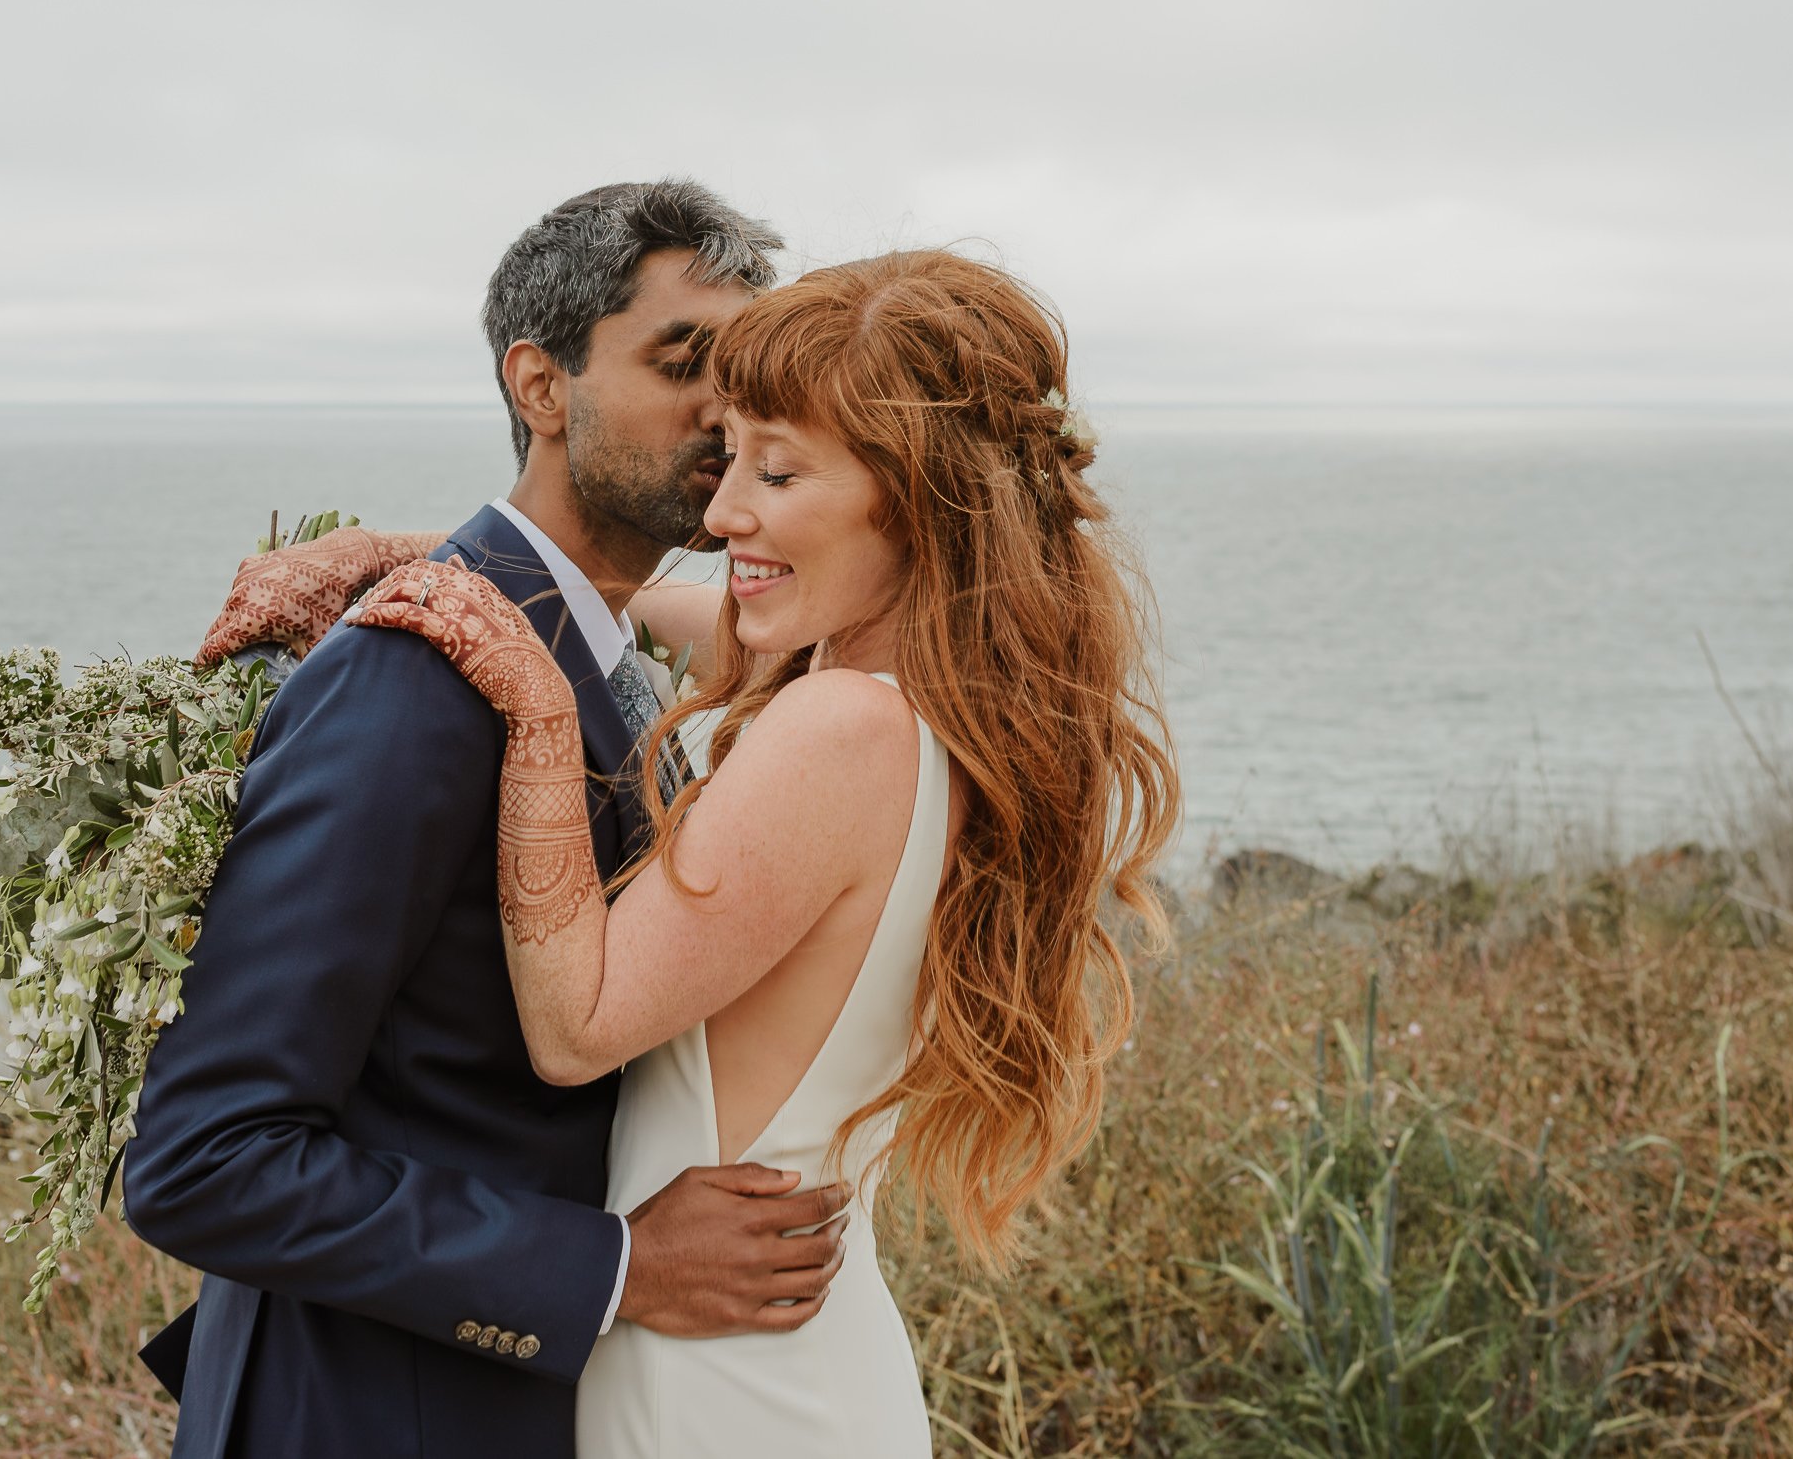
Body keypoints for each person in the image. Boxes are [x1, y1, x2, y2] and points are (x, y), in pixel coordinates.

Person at [208, 249, 1181, 1455]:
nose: (721, 515)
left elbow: (577, 1027)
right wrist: (398, 551)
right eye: (730, 455)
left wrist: (530, 698)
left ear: (915, 495)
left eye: (776, 470)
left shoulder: (837, 729)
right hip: (778, 1353)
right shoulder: (924, 696)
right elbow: (640, 606)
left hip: (721, 1381)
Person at [122, 181, 857, 1459]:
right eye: (681, 362)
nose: (726, 413)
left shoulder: (600, 641)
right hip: (378, 1414)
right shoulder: (413, 674)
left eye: (742, 375)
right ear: (540, 385)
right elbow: (205, 1159)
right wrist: (614, 1267)